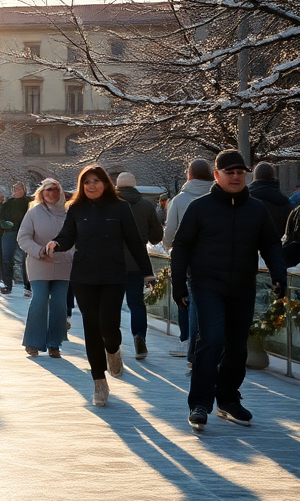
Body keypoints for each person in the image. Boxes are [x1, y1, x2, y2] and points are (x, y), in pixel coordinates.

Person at [171, 150, 288, 432]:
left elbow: (271, 244)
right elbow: (182, 246)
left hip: (242, 285)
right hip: (207, 283)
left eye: (240, 173)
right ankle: (199, 403)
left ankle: (228, 399)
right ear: (217, 175)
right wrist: (178, 285)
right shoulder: (200, 207)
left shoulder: (256, 209)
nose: (235, 177)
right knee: (211, 339)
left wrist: (278, 274)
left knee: (237, 345)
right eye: (229, 172)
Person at [44, 165, 155, 407]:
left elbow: (135, 242)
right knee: (91, 328)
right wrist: (56, 244)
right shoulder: (76, 209)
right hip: (84, 276)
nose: (91, 185)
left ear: (106, 183)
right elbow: (67, 236)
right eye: (87, 182)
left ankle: (113, 349)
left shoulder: (120, 208)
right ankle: (99, 382)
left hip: (114, 275)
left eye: (96, 181)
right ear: (82, 186)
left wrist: (147, 273)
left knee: (108, 325)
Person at [18, 178, 73, 357]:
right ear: (41, 193)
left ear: (61, 193)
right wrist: (40, 251)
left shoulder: (68, 213)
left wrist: (70, 255)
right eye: (48, 190)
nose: (52, 193)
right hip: (39, 262)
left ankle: (54, 343)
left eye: (55, 190)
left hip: (64, 264)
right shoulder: (34, 213)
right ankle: (33, 342)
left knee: (59, 303)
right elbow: (23, 237)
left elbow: (76, 238)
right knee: (40, 300)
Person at [164, 159, 214, 359]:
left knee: (187, 299)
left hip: (188, 259)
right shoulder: (217, 195)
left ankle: (188, 342)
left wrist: (168, 245)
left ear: (190, 175)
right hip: (215, 258)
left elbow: (170, 231)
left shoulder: (180, 199)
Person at [115, 173, 163, 360]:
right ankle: (139, 337)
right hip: (137, 262)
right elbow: (156, 237)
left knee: (113, 304)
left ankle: (113, 343)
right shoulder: (146, 205)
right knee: (136, 303)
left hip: (114, 262)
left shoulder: (111, 205)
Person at [0, 182, 32, 297]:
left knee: (26, 260)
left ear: (24, 190)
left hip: (25, 233)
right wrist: (5, 224)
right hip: (9, 233)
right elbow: (1, 218)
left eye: (19, 188)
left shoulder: (29, 203)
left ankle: (28, 286)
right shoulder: (7, 203)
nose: (16, 190)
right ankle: (7, 284)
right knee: (7, 258)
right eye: (15, 188)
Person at [248, 162, 294, 235]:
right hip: (277, 244)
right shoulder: (284, 202)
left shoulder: (245, 198)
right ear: (273, 176)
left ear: (254, 176)